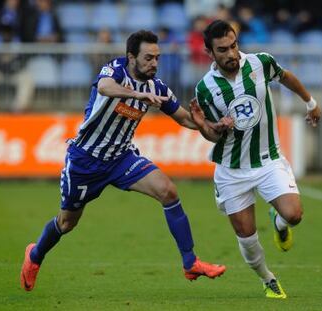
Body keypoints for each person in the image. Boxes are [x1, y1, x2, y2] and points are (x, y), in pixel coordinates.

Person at [20, 30, 228, 291]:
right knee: (67, 223)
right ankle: (35, 256)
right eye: (148, 58)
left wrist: (208, 124)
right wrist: (139, 96)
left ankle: (190, 263)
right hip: (86, 160)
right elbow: (105, 88)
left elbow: (184, 118)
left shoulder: (157, 87)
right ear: (131, 57)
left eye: (157, 58)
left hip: (121, 159)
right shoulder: (115, 70)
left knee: (168, 191)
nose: (154, 63)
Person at [189, 20, 321, 299]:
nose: (231, 53)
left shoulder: (261, 62)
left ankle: (279, 222)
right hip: (231, 169)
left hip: (268, 159)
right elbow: (211, 136)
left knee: (294, 215)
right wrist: (211, 126)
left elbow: (285, 77)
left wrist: (310, 102)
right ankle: (268, 279)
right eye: (222, 49)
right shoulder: (205, 88)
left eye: (234, 45)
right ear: (210, 53)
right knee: (247, 236)